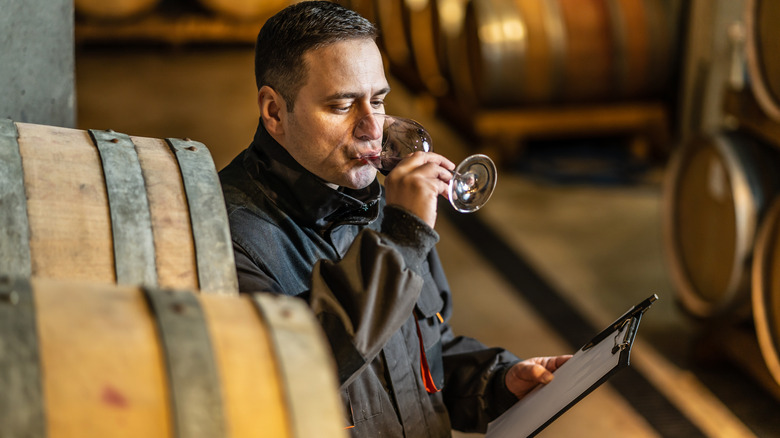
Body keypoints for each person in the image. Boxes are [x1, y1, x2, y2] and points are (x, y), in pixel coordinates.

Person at [219, 2, 570, 436]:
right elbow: (299, 366)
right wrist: (402, 238)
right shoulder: (226, 236)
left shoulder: (379, 203)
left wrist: (495, 383)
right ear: (274, 111)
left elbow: (421, 354)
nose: (372, 127)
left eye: (379, 100)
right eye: (342, 105)